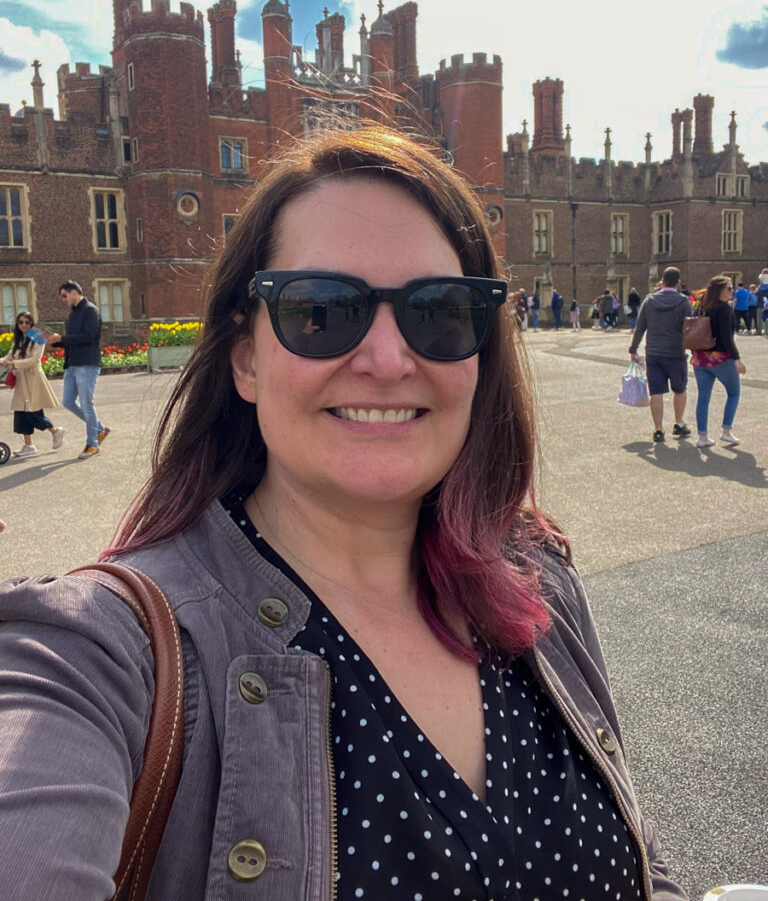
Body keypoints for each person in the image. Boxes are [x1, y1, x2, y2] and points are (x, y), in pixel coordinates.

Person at [0, 127, 686, 901]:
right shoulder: (100, 654)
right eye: (322, 310)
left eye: (441, 312)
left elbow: (640, 864)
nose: (389, 361)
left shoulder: (538, 581)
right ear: (246, 357)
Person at [44, 280, 110, 459]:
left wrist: (63, 338)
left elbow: (88, 337)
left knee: (87, 404)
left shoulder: (90, 310)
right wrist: (57, 342)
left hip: (87, 364)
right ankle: (100, 428)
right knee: (68, 401)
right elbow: (73, 340)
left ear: (74, 292)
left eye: (64, 295)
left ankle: (92, 444)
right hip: (72, 364)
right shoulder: (72, 315)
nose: (64, 300)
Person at [629, 266, 693, 442]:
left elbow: (640, 327)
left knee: (656, 392)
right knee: (680, 389)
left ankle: (658, 430)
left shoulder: (649, 301)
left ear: (662, 281)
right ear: (678, 283)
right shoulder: (684, 302)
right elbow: (690, 329)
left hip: (654, 353)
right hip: (675, 352)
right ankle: (678, 424)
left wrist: (633, 349)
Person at [690, 275, 746, 448]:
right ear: (720, 291)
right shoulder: (723, 310)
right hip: (720, 358)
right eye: (729, 288)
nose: (732, 291)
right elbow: (727, 338)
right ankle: (726, 431)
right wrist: (737, 359)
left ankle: (702, 436)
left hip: (700, 358)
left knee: (703, 397)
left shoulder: (701, 307)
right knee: (734, 393)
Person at [0, 311, 65, 458]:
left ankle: (56, 431)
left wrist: (13, 363)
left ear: (32, 323)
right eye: (20, 322)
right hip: (22, 379)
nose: (23, 325)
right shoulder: (19, 339)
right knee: (21, 412)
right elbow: (9, 356)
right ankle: (29, 445)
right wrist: (4, 360)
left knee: (32, 411)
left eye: (27, 322)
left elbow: (35, 360)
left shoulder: (38, 336)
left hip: (33, 378)